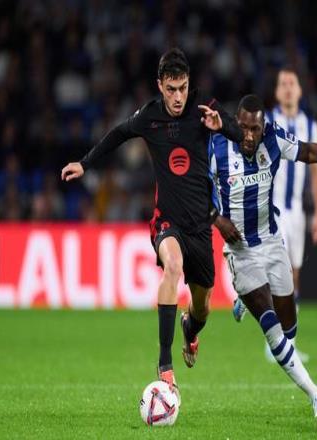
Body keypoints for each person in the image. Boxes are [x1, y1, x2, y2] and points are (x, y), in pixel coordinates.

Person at [61, 48, 243, 400]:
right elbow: (118, 134)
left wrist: (224, 127)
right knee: (172, 266)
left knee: (202, 307)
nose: (178, 97)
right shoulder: (149, 116)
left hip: (200, 225)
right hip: (167, 221)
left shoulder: (204, 106)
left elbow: (238, 131)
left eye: (183, 88)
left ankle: (190, 329)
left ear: (189, 84)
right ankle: (165, 365)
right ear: (160, 85)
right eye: (171, 89)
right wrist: (85, 163)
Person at [210, 94, 317, 417]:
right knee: (272, 326)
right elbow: (197, 188)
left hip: (272, 242)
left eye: (255, 129)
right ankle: (316, 395)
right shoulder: (217, 146)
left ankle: (244, 300)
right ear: (235, 123)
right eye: (243, 128)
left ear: (263, 128)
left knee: (289, 325)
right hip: (241, 249)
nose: (248, 136)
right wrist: (217, 219)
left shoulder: (274, 139)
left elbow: (306, 151)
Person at [233, 68, 317, 364]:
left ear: (299, 90)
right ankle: (273, 340)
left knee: (292, 276)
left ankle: (287, 342)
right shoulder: (264, 123)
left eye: (291, 83)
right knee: (276, 265)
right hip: (269, 208)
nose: (287, 88)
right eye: (282, 83)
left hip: (296, 210)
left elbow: (316, 170)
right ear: (276, 91)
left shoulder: (309, 124)